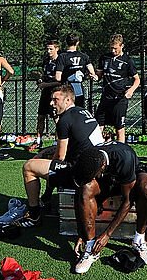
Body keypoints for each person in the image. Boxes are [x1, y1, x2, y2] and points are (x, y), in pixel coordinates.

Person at [6, 84, 105, 228]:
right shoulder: (84, 112)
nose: (51, 103)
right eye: (51, 100)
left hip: (80, 173)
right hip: (96, 166)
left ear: (68, 100)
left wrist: (43, 159)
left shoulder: (64, 120)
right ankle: (46, 198)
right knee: (47, 158)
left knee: (29, 167)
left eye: (55, 100)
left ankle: (34, 216)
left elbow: (60, 156)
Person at [70, 141, 147, 273]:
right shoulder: (88, 156)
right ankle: (90, 247)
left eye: (94, 174)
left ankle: (139, 240)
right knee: (85, 188)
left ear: (103, 165)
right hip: (108, 181)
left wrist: (107, 234)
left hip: (129, 177)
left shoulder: (124, 157)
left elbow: (128, 200)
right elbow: (78, 194)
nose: (93, 177)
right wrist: (81, 233)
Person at [95, 33, 140, 143]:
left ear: (122, 46)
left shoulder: (127, 61)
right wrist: (94, 76)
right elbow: (98, 76)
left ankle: (121, 152)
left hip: (120, 98)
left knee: (119, 127)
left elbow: (137, 79)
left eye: (115, 48)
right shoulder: (104, 58)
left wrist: (131, 90)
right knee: (98, 125)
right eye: (111, 48)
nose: (113, 51)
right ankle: (99, 150)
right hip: (106, 97)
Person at [54, 33, 97, 109]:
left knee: (65, 111)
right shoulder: (84, 56)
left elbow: (58, 77)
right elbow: (92, 73)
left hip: (66, 89)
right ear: (77, 43)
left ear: (66, 42)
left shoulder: (62, 56)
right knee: (79, 110)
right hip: (79, 89)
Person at [36, 40, 61, 140]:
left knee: (56, 117)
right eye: (47, 49)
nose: (48, 51)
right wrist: (40, 79)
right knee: (41, 116)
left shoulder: (60, 61)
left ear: (57, 49)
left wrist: (45, 84)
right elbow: (44, 74)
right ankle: (38, 140)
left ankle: (57, 141)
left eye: (51, 49)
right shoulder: (46, 61)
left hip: (55, 92)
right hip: (45, 93)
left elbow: (60, 81)